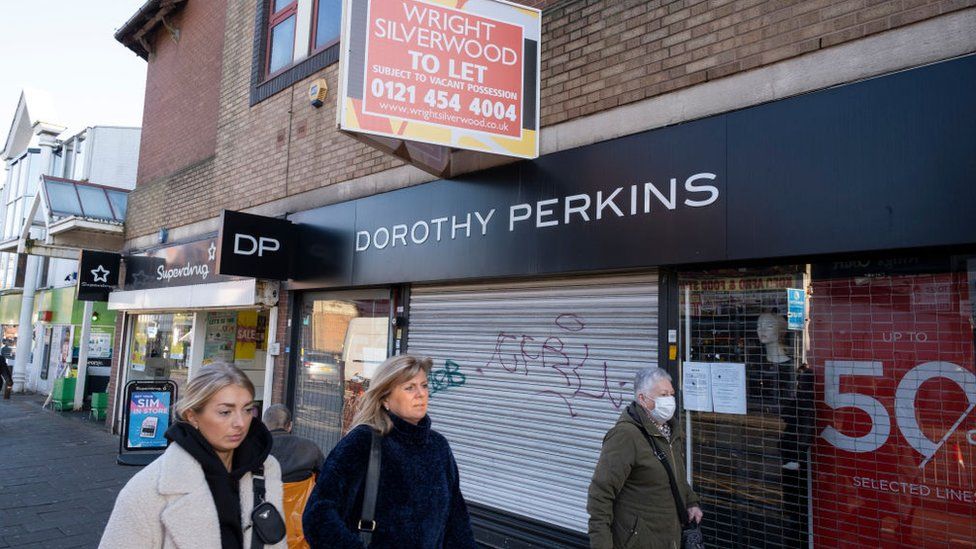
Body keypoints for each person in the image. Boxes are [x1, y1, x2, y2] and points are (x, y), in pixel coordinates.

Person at [100, 363, 286, 549]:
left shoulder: (267, 469)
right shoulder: (146, 491)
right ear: (192, 416)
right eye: (225, 412)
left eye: (247, 410)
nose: (240, 423)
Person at [302, 355, 476, 548]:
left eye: (424, 385)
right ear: (385, 398)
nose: (421, 394)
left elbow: (457, 521)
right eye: (409, 387)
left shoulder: (438, 446)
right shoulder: (362, 442)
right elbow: (318, 515)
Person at [587, 367, 702, 549]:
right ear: (642, 398)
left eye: (671, 394)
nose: (670, 400)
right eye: (663, 395)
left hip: (670, 538)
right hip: (639, 541)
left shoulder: (672, 432)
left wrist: (690, 502)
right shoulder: (625, 436)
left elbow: (676, 475)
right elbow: (600, 494)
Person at [264, 404, 325, 548]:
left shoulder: (254, 451)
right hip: (301, 532)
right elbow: (326, 483)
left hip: (264, 528)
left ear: (264, 425)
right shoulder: (310, 448)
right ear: (289, 425)